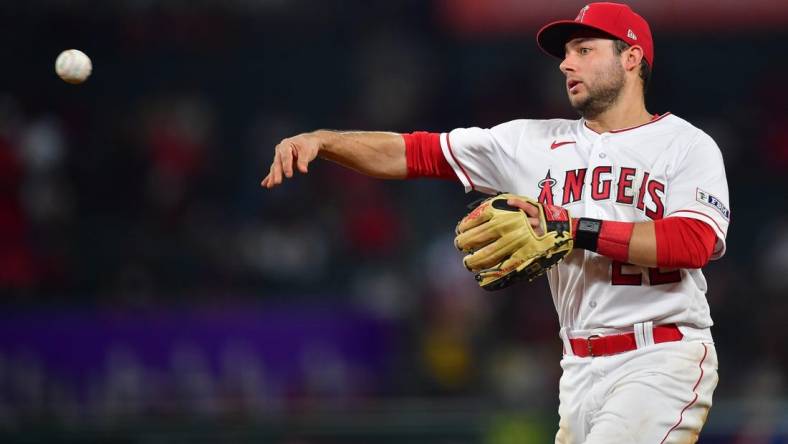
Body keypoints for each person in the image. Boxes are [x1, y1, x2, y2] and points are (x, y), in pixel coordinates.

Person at [261, 3, 730, 443]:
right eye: (565, 54)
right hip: (579, 368)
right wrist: (325, 141)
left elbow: (693, 242)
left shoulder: (685, 145)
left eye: (585, 50)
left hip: (662, 355)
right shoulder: (533, 142)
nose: (567, 64)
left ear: (631, 59)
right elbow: (416, 152)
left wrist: (572, 228)